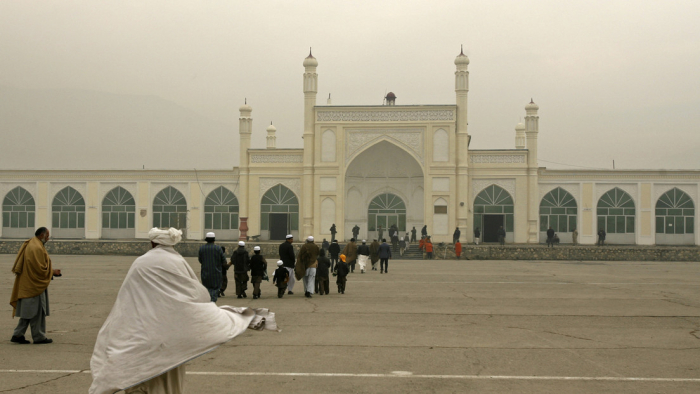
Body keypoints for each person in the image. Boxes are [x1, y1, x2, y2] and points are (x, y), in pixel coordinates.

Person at [89, 227, 277, 394]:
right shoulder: (177, 261)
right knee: (167, 374)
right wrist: (198, 309)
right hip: (171, 336)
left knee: (140, 374)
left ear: (152, 242)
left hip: (142, 332)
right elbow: (198, 294)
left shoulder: (141, 263)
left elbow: (127, 300)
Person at [10, 227, 61, 345]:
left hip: (28, 283)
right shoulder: (36, 247)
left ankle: (18, 334)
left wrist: (51, 271)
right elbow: (39, 269)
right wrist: (52, 272)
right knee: (38, 311)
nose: (48, 239)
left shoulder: (32, 243)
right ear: (41, 235)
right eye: (47, 236)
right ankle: (39, 337)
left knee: (28, 311)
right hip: (34, 285)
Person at [198, 232, 226, 302]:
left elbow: (200, 260)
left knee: (206, 288)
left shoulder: (201, 248)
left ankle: (207, 302)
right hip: (216, 273)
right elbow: (223, 260)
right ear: (214, 239)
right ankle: (212, 303)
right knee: (215, 289)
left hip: (205, 273)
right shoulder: (218, 248)